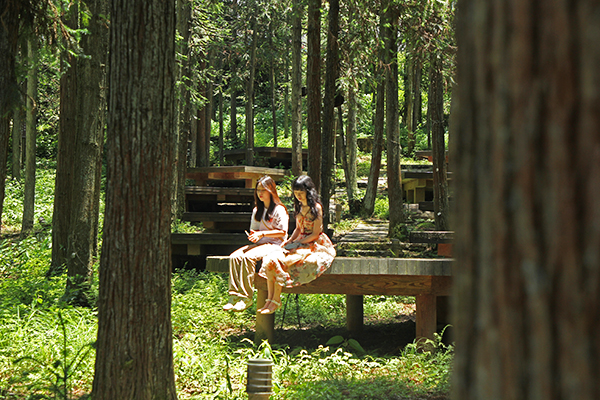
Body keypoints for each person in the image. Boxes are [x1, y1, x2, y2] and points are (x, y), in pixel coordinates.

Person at [257, 175, 336, 314]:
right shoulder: (298, 206)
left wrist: (298, 243)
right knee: (271, 259)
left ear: (308, 191)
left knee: (285, 262)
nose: (298, 195)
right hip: (299, 240)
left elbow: (315, 234)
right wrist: (289, 241)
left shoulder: (316, 207)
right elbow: (298, 229)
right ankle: (269, 299)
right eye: (296, 192)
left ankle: (276, 300)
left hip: (314, 243)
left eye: (301, 192)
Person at [223, 176, 289, 312]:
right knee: (234, 256)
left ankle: (246, 297)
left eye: (263, 190)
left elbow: (283, 232)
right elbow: (254, 230)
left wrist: (263, 234)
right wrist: (253, 236)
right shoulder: (256, 210)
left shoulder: (279, 209)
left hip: (275, 245)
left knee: (248, 257)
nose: (260, 193)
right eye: (258, 190)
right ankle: (233, 295)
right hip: (260, 244)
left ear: (271, 191)